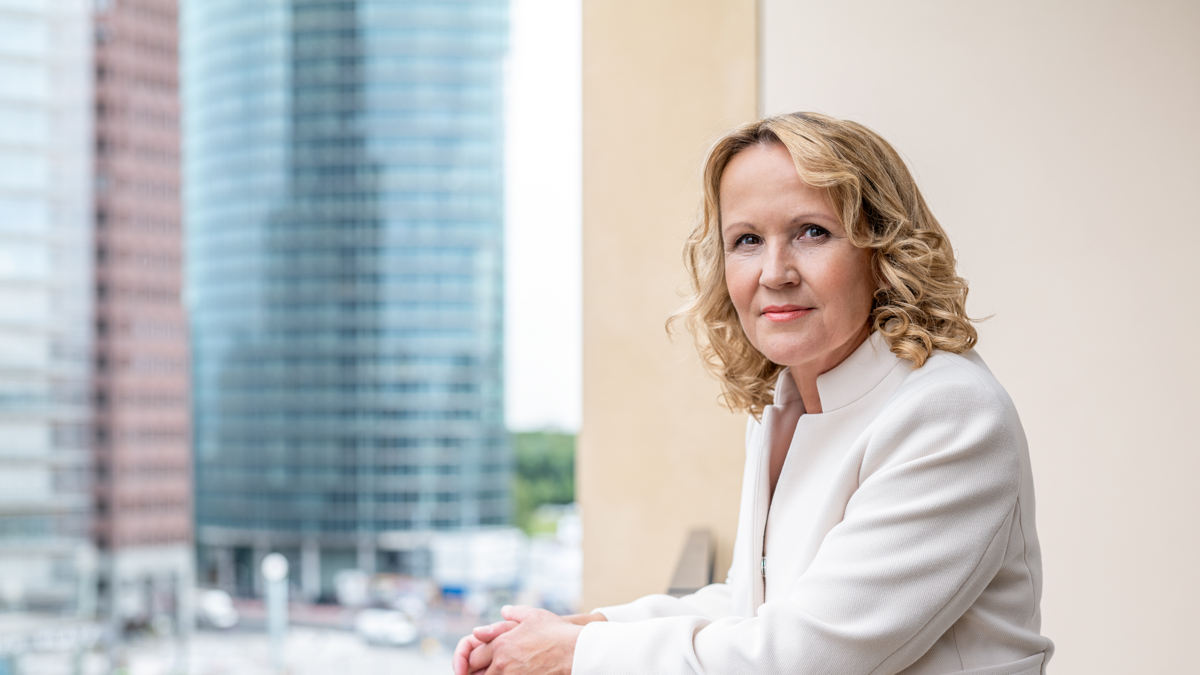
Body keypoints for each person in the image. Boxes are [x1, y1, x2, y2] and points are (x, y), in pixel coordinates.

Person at [453, 112, 1054, 675]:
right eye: (746, 240)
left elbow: (804, 655)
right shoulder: (787, 403)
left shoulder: (948, 411)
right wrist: (582, 628)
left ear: (883, 248)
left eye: (812, 232)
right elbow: (752, 603)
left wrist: (578, 655)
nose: (774, 272)